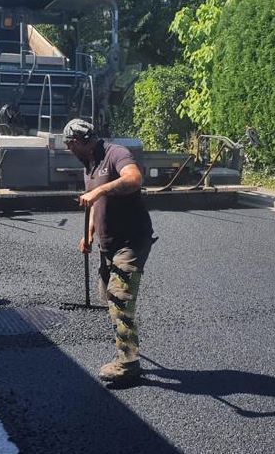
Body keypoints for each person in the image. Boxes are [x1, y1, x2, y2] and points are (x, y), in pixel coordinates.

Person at [63, 118, 156, 384]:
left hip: (132, 240)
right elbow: (95, 204)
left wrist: (101, 189)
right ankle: (124, 336)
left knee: (120, 297)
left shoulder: (116, 154)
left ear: (79, 141)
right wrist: (88, 234)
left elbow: (134, 179)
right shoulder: (89, 165)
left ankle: (128, 363)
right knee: (108, 297)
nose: (69, 150)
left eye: (70, 145)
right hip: (109, 245)